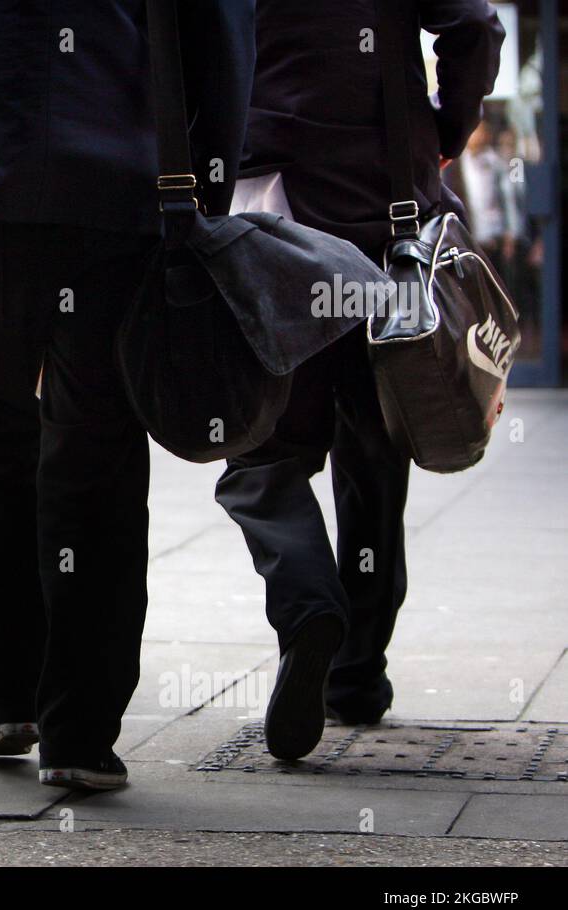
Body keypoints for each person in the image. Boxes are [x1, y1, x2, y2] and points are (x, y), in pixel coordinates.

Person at [0, 0, 255, 788]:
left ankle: (6, 694)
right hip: (123, 189)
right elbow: (221, 31)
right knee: (99, 451)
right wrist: (210, 179)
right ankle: (82, 728)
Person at [215, 0, 504, 760]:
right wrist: (441, 131)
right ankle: (356, 674)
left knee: (262, 452)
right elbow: (473, 26)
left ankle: (308, 604)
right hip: (386, 207)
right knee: (375, 448)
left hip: (270, 213)